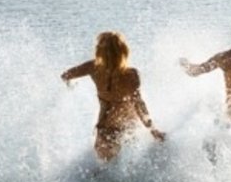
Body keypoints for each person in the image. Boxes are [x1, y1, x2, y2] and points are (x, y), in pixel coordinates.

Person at [62, 31, 165, 161]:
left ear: (98, 51)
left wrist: (71, 86)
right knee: (118, 169)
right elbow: (139, 104)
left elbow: (65, 76)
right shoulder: (129, 74)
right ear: (123, 51)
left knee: (105, 167)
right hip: (121, 128)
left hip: (112, 128)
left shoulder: (94, 68)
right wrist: (153, 130)